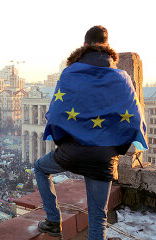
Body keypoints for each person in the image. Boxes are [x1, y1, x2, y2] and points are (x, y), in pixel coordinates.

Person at [34, 25, 147, 239]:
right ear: (107, 47)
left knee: (40, 168)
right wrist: (115, 149)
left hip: (72, 152)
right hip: (104, 156)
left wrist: (64, 142)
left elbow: (56, 113)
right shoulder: (121, 77)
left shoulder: (69, 73)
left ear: (85, 45)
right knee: (98, 218)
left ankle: (53, 221)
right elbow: (135, 120)